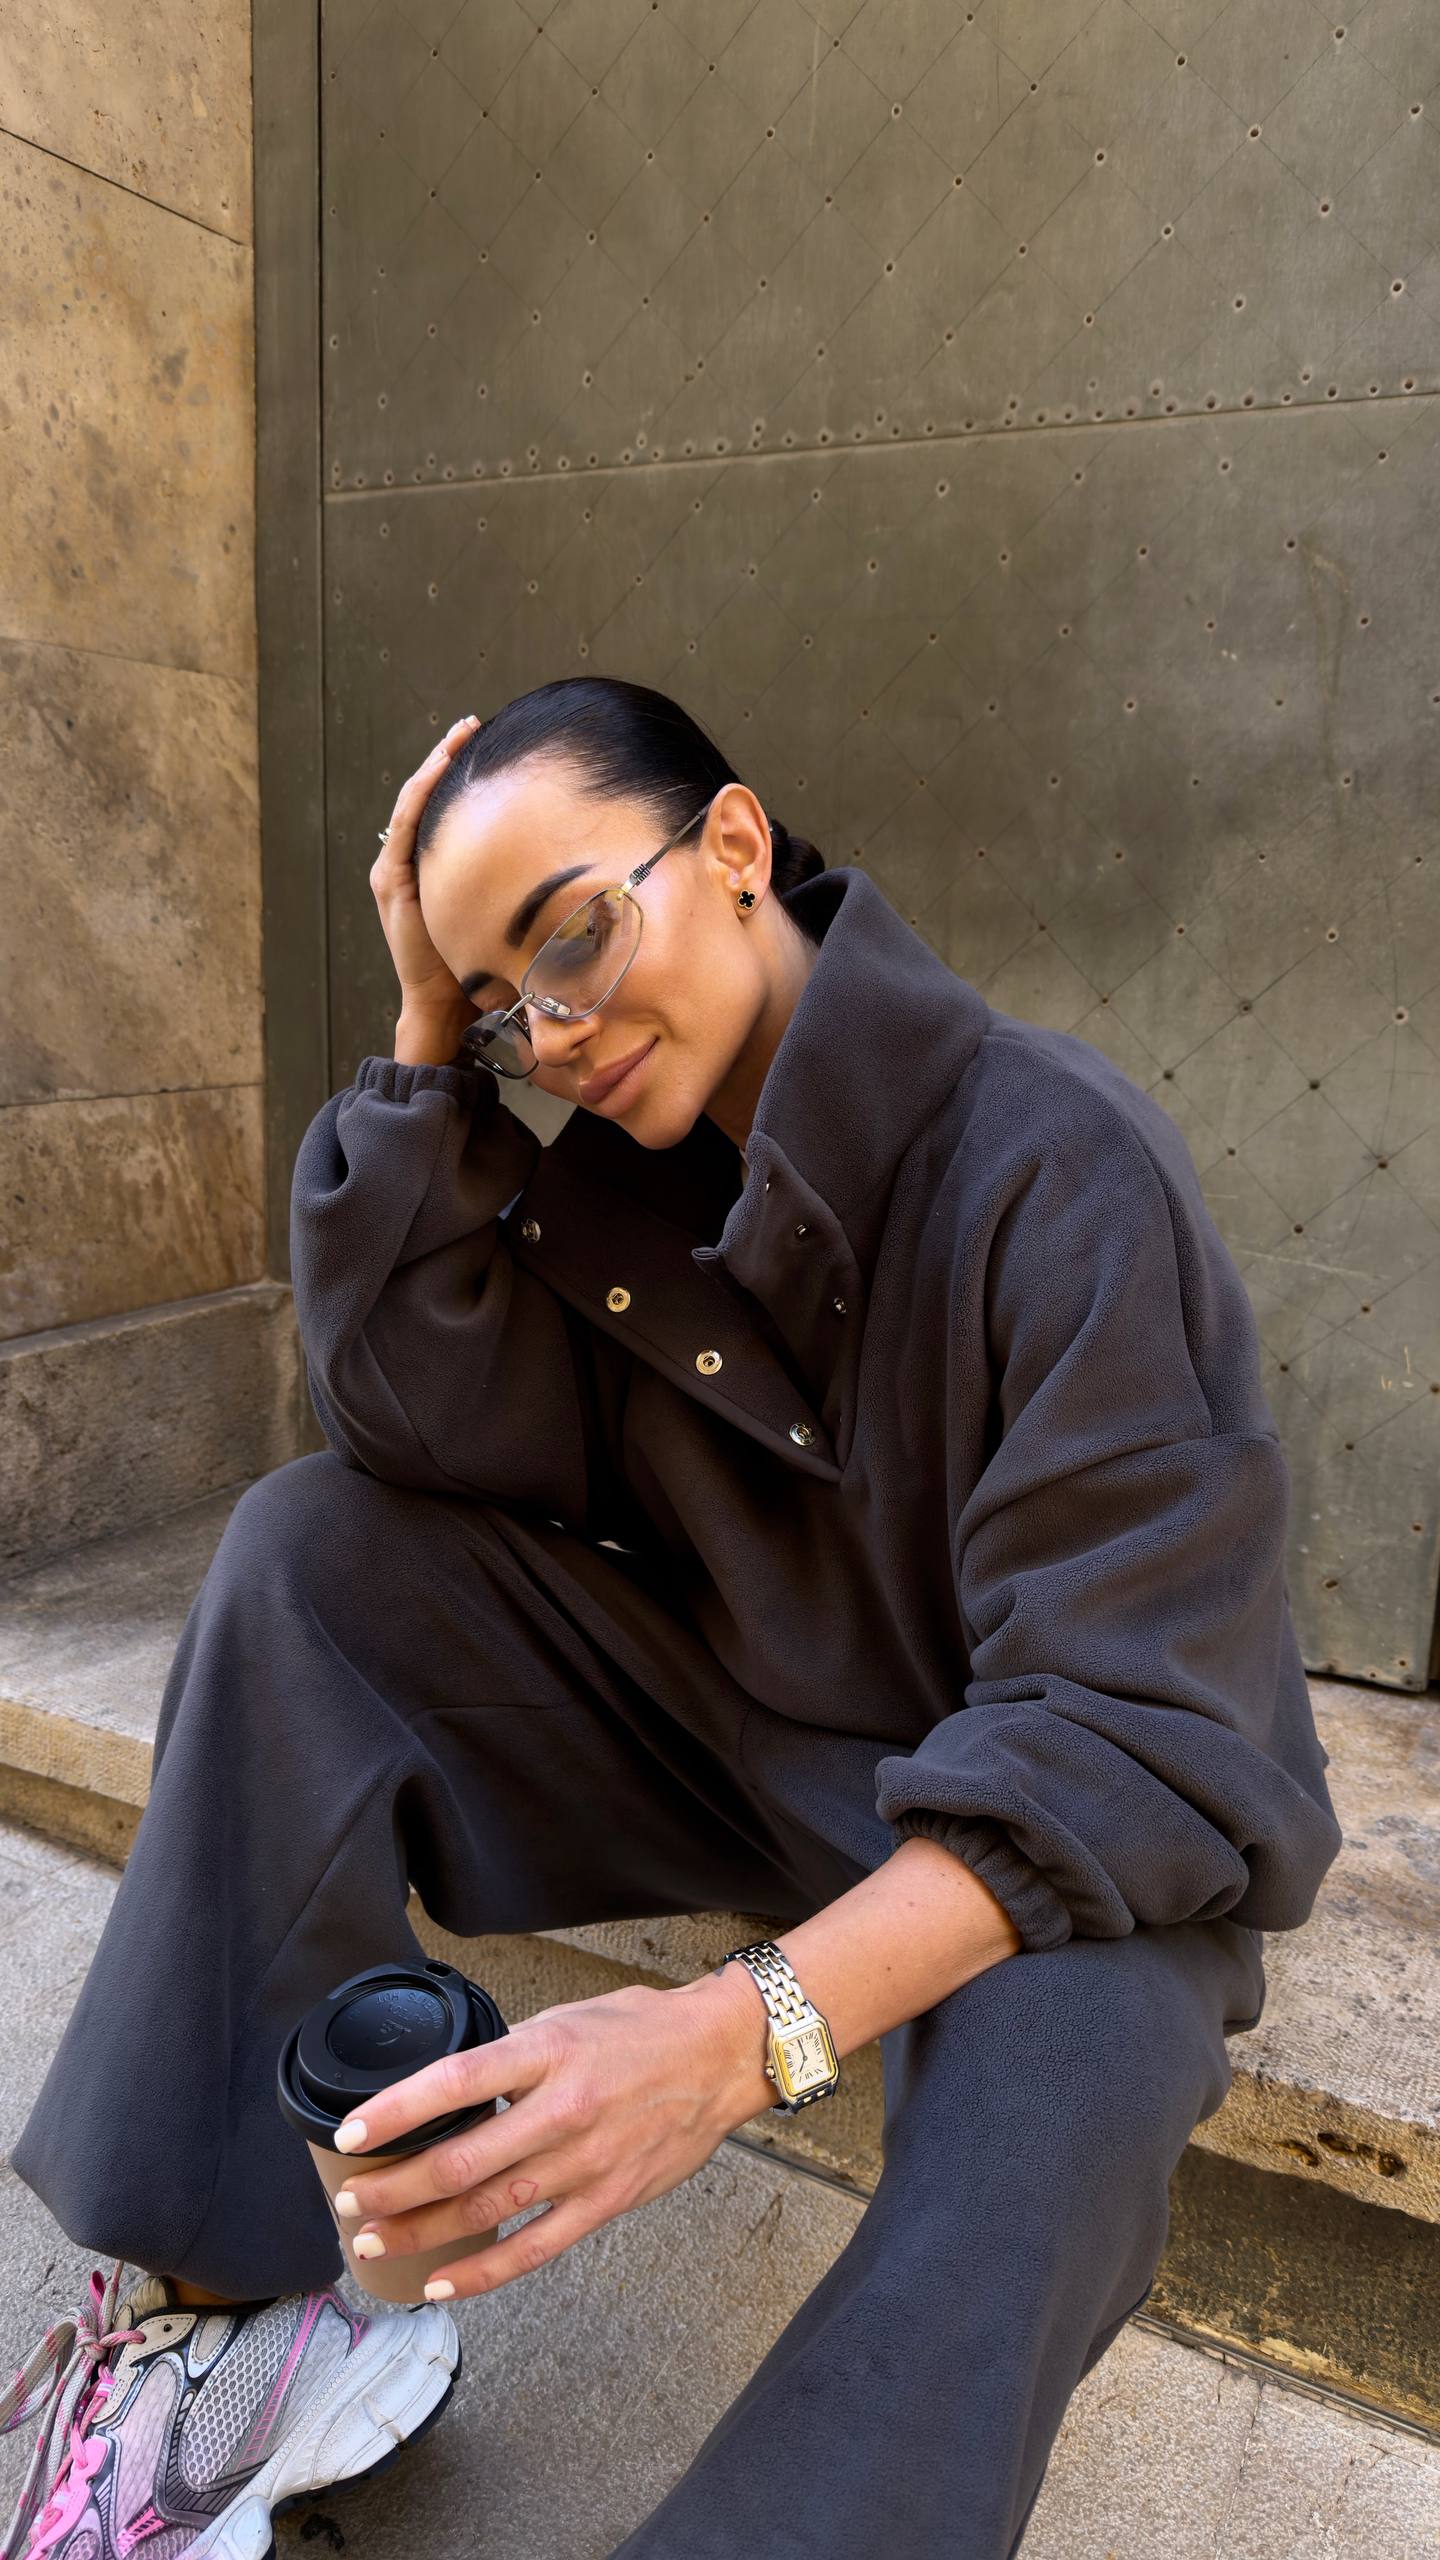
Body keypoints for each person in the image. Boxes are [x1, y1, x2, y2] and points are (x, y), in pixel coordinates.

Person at [6, 678, 1341, 2560]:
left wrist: (737, 2036)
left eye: (569, 935)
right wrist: (426, 1040)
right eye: (505, 1000)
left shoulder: (1053, 1157)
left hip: (1068, 1825)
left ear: (731, 844)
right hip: (742, 1740)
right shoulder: (626, 1189)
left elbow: (1134, 1728)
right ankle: (239, 2323)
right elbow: (404, 1430)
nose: (554, 1031)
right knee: (307, 1552)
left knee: (1077, 2056)